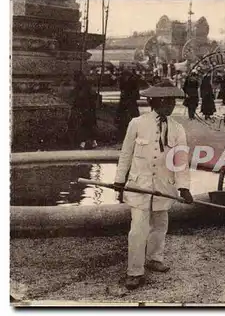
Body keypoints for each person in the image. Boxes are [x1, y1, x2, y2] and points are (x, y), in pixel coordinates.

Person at [113, 82, 194, 290]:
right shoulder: (137, 124)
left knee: (160, 225)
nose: (170, 105)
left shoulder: (178, 129)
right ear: (154, 102)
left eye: (173, 101)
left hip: (163, 187)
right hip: (139, 186)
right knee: (138, 229)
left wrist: (184, 187)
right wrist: (120, 181)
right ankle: (135, 271)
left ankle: (154, 258)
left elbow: (180, 161)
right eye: (165, 101)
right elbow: (126, 154)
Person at [67, 71, 98, 149]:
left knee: (84, 126)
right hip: (90, 110)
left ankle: (83, 143)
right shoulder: (86, 86)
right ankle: (93, 142)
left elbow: (79, 98)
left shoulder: (81, 88)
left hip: (85, 110)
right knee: (90, 126)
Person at [116, 69, 140, 140]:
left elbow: (135, 91)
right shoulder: (123, 80)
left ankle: (132, 133)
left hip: (130, 100)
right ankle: (123, 133)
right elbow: (121, 89)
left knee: (132, 116)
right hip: (125, 100)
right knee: (123, 117)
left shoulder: (133, 81)